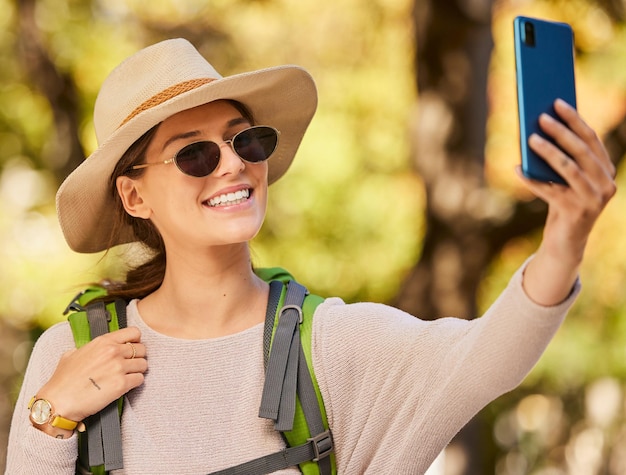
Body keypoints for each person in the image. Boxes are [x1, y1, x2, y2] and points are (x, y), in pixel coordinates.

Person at [5, 38, 616, 475]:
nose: (234, 164)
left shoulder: (333, 344)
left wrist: (565, 236)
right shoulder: (69, 357)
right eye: (194, 154)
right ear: (134, 194)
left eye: (246, 140)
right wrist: (50, 419)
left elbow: (488, 359)